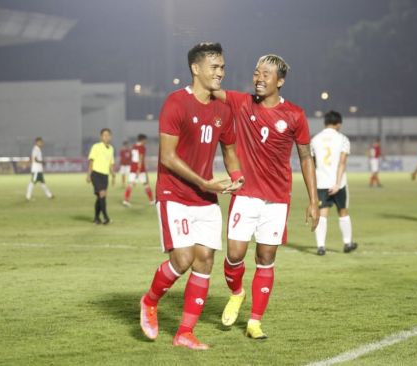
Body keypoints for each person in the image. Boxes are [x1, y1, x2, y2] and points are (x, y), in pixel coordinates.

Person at [139, 42, 243, 350]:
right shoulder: (176, 103)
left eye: (223, 67)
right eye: (214, 67)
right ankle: (149, 301)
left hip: (204, 197)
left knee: (205, 260)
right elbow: (168, 157)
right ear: (195, 69)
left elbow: (230, 151)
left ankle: (185, 333)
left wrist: (238, 179)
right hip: (174, 192)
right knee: (182, 258)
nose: (220, 73)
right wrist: (206, 183)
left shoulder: (223, 108)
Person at [212, 54, 319, 339]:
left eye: (266, 74)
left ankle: (254, 322)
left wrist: (313, 200)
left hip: (277, 199)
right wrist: (207, 69)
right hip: (246, 194)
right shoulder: (241, 102)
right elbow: (211, 89)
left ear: (280, 81)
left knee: (265, 256)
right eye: (256, 73)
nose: (259, 78)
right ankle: (237, 293)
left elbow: (306, 157)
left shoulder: (295, 115)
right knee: (234, 254)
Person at [311, 111, 358, 256]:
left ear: (325, 122)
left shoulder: (315, 139)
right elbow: (342, 164)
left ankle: (320, 246)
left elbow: (313, 165)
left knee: (322, 214)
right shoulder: (342, 139)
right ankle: (347, 243)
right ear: (338, 124)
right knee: (343, 212)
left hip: (321, 183)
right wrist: (337, 184)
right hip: (339, 184)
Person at [86, 128, 115, 224]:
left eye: (108, 135)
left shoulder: (111, 149)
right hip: (96, 174)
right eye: (104, 135)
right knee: (102, 194)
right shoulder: (96, 147)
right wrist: (89, 175)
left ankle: (96, 218)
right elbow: (91, 161)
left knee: (100, 197)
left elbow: (111, 163)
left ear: (110, 136)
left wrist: (113, 174)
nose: (106, 137)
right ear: (101, 137)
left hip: (105, 175)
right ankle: (106, 218)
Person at [123, 134, 155, 206]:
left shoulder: (134, 146)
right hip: (139, 169)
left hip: (133, 168)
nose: (146, 141)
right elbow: (140, 158)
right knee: (146, 184)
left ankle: (126, 200)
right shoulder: (142, 147)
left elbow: (133, 157)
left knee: (130, 184)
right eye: (145, 140)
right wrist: (139, 168)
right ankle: (152, 201)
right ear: (142, 140)